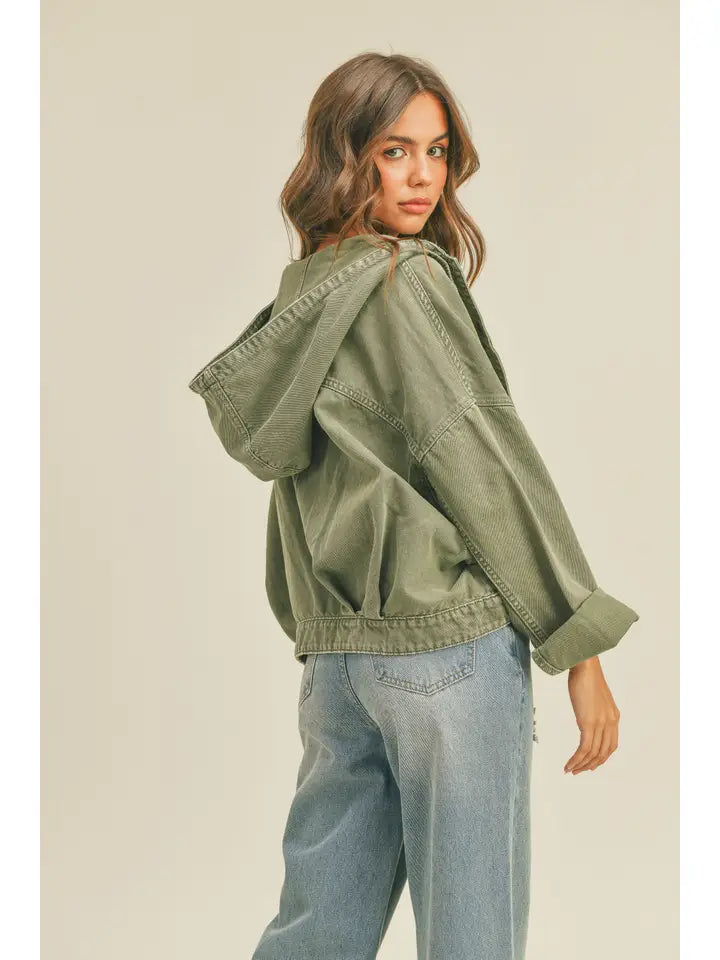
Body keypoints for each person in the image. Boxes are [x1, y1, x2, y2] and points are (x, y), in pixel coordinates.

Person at [188, 51, 639, 960]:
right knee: (473, 933)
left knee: (317, 928)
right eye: (394, 151)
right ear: (345, 156)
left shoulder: (307, 292)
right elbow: (481, 457)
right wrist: (576, 640)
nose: (423, 176)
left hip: (339, 663)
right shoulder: (406, 279)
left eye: (436, 152)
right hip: (446, 654)